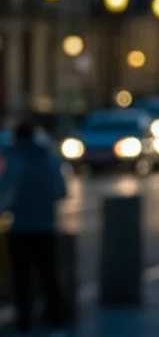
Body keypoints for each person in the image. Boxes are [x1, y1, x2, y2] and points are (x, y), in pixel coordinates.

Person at [0, 119, 67, 334]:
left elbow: (6, 194)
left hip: (22, 227)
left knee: (23, 278)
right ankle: (55, 319)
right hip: (47, 226)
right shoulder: (51, 159)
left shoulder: (17, 161)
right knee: (49, 275)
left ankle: (24, 322)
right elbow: (61, 192)